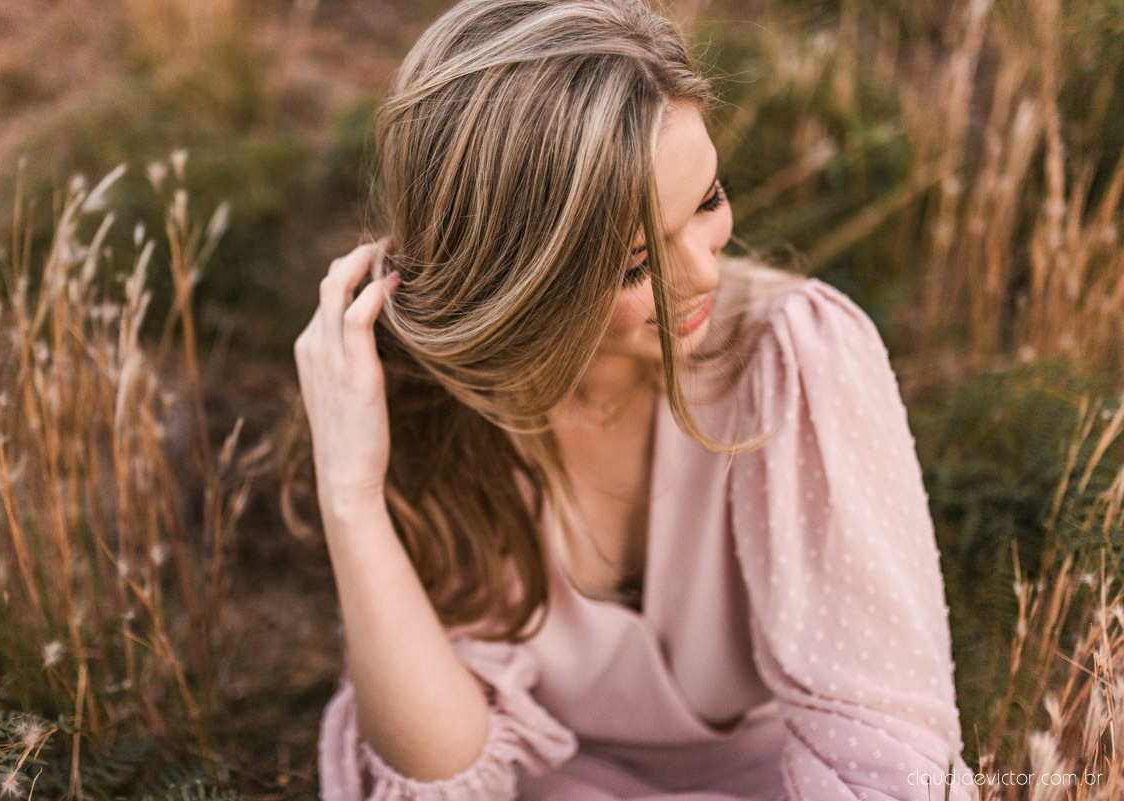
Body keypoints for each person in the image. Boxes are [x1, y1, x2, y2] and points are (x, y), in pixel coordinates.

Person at [294, 0, 977, 798]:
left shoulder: (795, 359)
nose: (705, 274)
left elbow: (884, 752)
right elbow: (444, 776)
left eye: (709, 200)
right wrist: (351, 496)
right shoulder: (429, 409)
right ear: (518, 284)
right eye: (633, 265)